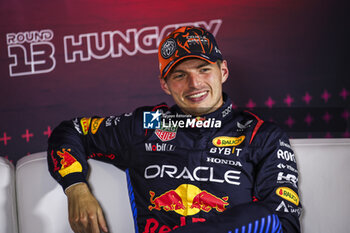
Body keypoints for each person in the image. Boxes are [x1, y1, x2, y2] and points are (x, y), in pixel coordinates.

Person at [47, 26, 302, 233]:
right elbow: (70, 131)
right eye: (179, 75)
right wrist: (75, 188)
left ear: (222, 71)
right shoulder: (149, 124)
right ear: (165, 85)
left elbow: (283, 222)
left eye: (204, 70)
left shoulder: (260, 135)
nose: (194, 84)